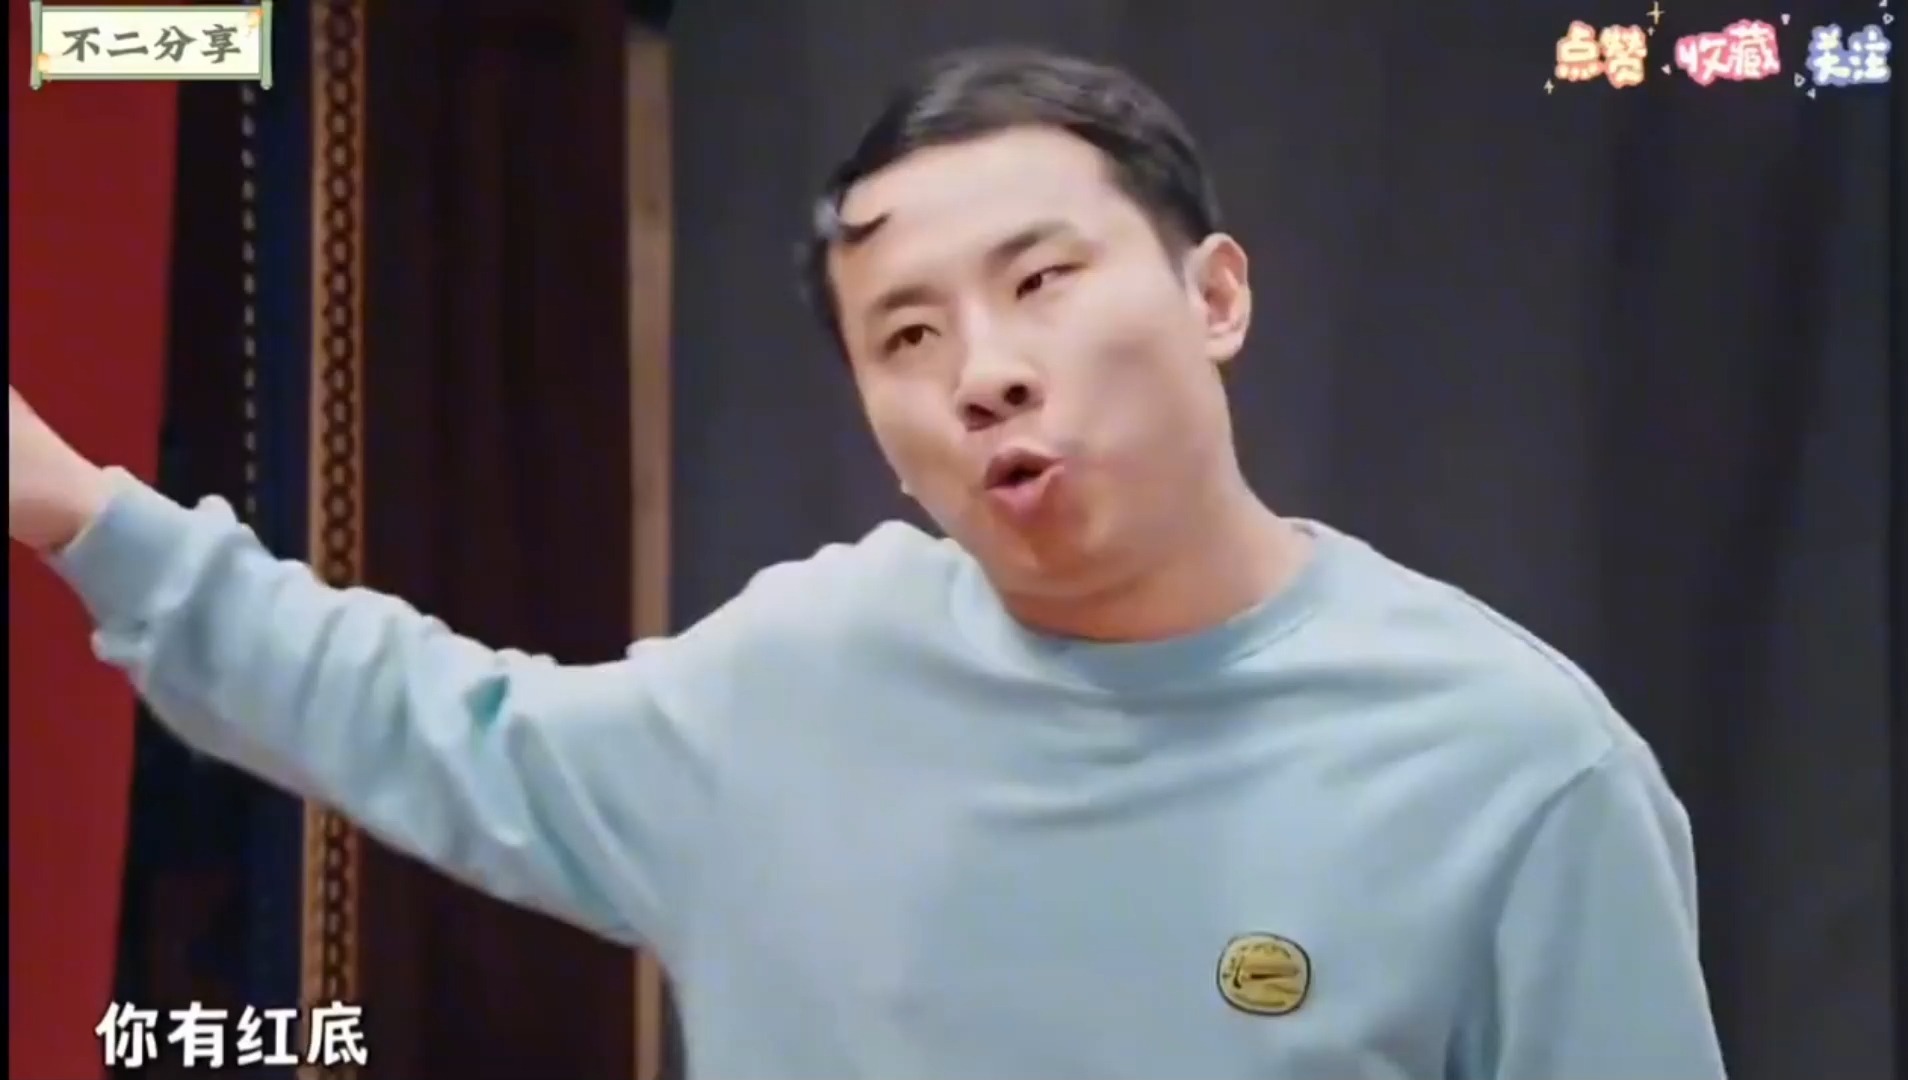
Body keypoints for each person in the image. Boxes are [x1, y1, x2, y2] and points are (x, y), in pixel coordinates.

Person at [9, 45, 1725, 1080]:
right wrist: (76, 509)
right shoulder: (798, 678)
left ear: (1215, 296)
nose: (985, 370)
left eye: (1040, 281)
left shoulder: (1516, 770)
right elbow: (438, 728)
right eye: (908, 334)